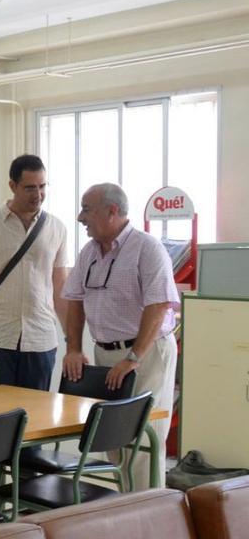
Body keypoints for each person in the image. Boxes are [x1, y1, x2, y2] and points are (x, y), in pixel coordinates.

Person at [62, 183, 180, 490]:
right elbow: (74, 301)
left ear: (112, 211)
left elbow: (158, 305)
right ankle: (124, 510)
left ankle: (148, 517)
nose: (80, 217)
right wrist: (74, 348)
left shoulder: (147, 248)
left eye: (87, 209)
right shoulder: (88, 252)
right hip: (106, 353)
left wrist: (133, 357)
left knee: (142, 439)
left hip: (146, 354)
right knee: (114, 442)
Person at [0, 153, 69, 391]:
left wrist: (73, 342)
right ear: (12, 186)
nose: (37, 195)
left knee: (37, 417)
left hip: (40, 339)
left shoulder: (56, 228)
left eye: (42, 186)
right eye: (29, 188)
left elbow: (60, 287)